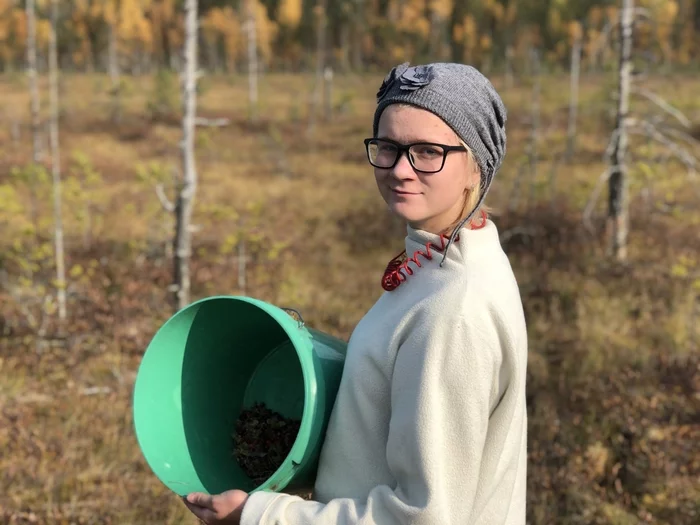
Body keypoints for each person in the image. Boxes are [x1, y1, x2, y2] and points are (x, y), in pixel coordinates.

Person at [183, 61, 528, 525]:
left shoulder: (452, 310)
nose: (401, 170)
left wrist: (261, 516)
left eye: (428, 151)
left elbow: (424, 517)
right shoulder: (447, 261)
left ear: (476, 166)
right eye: (389, 147)